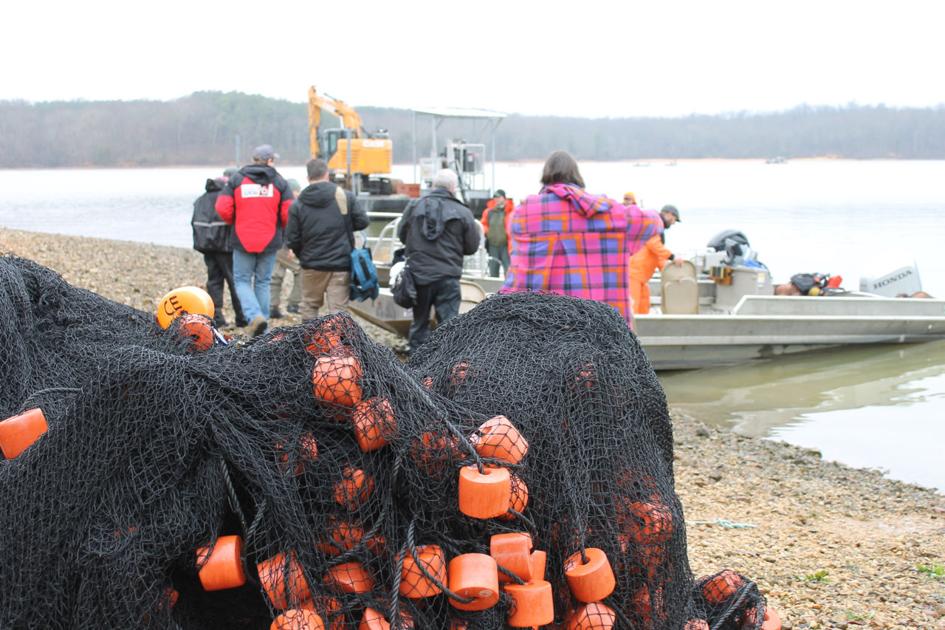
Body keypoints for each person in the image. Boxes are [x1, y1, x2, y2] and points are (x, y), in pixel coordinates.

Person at [503, 151, 663, 325]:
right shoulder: (606, 212)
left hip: (541, 326)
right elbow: (655, 222)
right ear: (577, 176)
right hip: (599, 328)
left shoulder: (524, 213)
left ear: (546, 176)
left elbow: (517, 267)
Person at [215, 144, 293, 337]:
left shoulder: (237, 179)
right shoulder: (279, 182)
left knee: (241, 280)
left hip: (243, 237)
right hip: (269, 239)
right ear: (270, 161)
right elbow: (288, 213)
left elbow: (222, 207)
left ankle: (254, 316)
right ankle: (262, 323)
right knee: (263, 282)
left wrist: (235, 220)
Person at [397, 169, 479, 351]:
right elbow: (471, 247)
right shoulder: (463, 212)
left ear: (433, 186)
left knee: (419, 322)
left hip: (419, 275)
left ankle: (415, 365)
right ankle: (445, 365)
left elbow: (402, 235)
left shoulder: (414, 206)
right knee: (449, 325)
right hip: (448, 276)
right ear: (453, 188)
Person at [285, 158, 369, 320]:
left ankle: (308, 342)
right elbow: (363, 221)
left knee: (309, 305)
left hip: (311, 264)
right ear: (326, 174)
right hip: (340, 263)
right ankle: (336, 344)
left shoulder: (299, 203)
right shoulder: (344, 196)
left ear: (308, 177)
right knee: (338, 311)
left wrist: (303, 256)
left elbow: (292, 239)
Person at [191, 168, 247, 328]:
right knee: (235, 281)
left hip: (206, 246)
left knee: (214, 280)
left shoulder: (201, 198)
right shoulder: (227, 196)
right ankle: (241, 318)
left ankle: (217, 317)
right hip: (226, 245)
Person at [629, 205, 683, 315]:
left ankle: (640, 331)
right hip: (634, 274)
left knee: (644, 307)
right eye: (674, 219)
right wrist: (673, 257)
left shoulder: (659, 229)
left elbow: (658, 257)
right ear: (668, 214)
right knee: (632, 309)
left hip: (642, 278)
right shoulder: (654, 224)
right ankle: (628, 331)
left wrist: (671, 274)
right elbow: (653, 244)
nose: (673, 223)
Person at [270, 178, 303, 318]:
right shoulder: (292, 204)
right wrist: (291, 246)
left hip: (272, 243)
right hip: (284, 245)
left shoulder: (275, 201)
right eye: (297, 191)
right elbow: (291, 227)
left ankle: (272, 306)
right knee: (301, 270)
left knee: (276, 275)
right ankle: (293, 304)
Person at [480, 189, 513, 277]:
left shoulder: (511, 210)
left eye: (499, 197)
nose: (497, 199)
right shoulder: (488, 212)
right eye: (495, 197)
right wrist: (488, 232)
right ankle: (494, 290)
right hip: (492, 246)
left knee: (509, 271)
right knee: (493, 272)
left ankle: (509, 290)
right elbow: (483, 224)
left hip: (506, 246)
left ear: (504, 198)